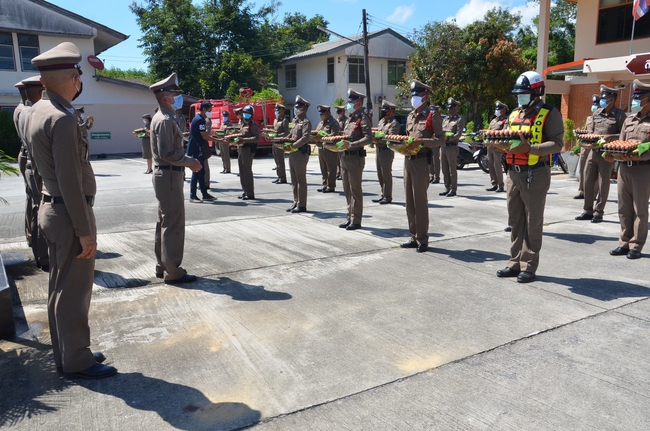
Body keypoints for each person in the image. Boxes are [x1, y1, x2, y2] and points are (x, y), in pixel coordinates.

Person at [23, 42, 116, 379]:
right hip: (68, 212)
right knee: (74, 292)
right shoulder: (61, 119)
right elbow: (70, 181)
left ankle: (68, 353)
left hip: (52, 209)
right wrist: (85, 230)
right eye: (78, 75)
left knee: (59, 287)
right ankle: (77, 360)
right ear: (70, 77)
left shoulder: (36, 111)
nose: (80, 81)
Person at [496, 71, 564, 283]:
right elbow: (509, 139)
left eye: (524, 93)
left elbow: (557, 143)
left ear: (536, 92)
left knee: (533, 221)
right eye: (518, 94)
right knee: (515, 220)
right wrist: (499, 146)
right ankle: (514, 262)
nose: (520, 97)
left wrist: (530, 148)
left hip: (535, 173)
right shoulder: (515, 114)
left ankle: (529, 266)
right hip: (513, 173)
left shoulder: (549, 113)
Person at [150, 72, 202, 284]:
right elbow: (167, 153)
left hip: (169, 176)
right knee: (173, 223)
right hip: (169, 175)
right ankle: (173, 270)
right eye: (174, 94)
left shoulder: (167, 117)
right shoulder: (163, 120)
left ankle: (163, 265)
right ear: (164, 98)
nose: (177, 97)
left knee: (165, 221)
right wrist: (190, 161)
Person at [400, 80, 446, 253]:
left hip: (421, 161)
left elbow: (441, 139)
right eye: (412, 95)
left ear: (425, 96)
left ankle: (422, 239)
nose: (413, 98)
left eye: (417, 95)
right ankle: (413, 236)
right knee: (409, 201)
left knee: (420, 201)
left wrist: (422, 141)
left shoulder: (431, 115)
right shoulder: (411, 115)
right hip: (408, 160)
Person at [607, 79, 650, 260]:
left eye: (638, 97)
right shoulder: (629, 119)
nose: (635, 100)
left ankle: (636, 246)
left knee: (639, 209)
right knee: (624, 208)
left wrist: (639, 155)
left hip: (643, 169)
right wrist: (611, 154)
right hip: (624, 168)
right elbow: (621, 143)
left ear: (648, 99)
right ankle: (624, 242)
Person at [575, 86, 626, 223]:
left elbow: (623, 135)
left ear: (612, 99)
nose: (602, 101)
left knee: (603, 183)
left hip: (607, 154)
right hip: (593, 151)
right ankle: (587, 210)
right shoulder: (597, 113)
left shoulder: (620, 115)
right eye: (602, 98)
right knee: (587, 180)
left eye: (605, 98)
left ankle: (599, 212)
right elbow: (590, 130)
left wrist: (610, 136)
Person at [16, 75, 49, 271]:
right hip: (34, 161)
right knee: (40, 206)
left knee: (33, 202)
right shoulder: (30, 112)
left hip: (28, 159)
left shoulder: (22, 110)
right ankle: (43, 255)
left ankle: (33, 240)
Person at [339, 89, 373, 230]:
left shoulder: (362, 118)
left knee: (355, 190)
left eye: (351, 102)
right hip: (344, 157)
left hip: (355, 158)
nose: (348, 104)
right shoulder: (349, 119)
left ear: (358, 104)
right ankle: (349, 216)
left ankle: (356, 220)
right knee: (347, 189)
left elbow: (368, 138)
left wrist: (352, 144)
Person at [187, 101, 219, 203]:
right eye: (210, 110)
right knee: (196, 172)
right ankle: (192, 196)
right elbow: (204, 136)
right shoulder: (200, 120)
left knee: (202, 172)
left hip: (198, 149)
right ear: (204, 109)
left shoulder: (198, 119)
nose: (211, 112)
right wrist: (219, 140)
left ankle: (205, 194)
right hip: (197, 150)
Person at [286, 95, 312, 213]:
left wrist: (293, 145)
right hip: (292, 152)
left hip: (300, 153)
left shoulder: (306, 122)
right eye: (296, 107)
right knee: (294, 179)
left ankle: (302, 204)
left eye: (299, 108)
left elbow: (305, 138)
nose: (296, 109)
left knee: (300, 179)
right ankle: (296, 201)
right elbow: (291, 135)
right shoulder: (295, 120)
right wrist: (283, 141)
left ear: (305, 109)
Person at [372, 99, 400, 204]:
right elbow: (378, 132)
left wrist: (377, 139)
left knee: (386, 174)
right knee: (380, 174)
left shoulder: (394, 123)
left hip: (386, 151)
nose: (384, 112)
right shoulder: (382, 121)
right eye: (384, 110)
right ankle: (383, 194)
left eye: (386, 110)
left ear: (392, 111)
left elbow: (390, 137)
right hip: (378, 150)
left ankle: (388, 196)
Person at [14, 79, 31, 247]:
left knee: (31, 197)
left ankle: (31, 234)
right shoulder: (25, 111)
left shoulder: (20, 109)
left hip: (25, 154)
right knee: (35, 200)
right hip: (29, 155)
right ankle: (33, 235)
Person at [440, 98, 465, 197]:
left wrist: (448, 139)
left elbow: (458, 134)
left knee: (452, 170)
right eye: (449, 108)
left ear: (457, 108)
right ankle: (447, 188)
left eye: (452, 108)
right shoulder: (445, 119)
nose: (450, 110)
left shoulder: (459, 119)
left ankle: (453, 189)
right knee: (444, 169)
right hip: (443, 147)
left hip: (451, 146)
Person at [236, 105, 260, 200]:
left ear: (252, 114)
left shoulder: (252, 124)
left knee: (247, 171)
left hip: (248, 149)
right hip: (241, 149)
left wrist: (245, 140)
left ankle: (250, 193)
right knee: (241, 171)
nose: (246, 114)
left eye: (248, 113)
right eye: (245, 113)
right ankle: (245, 190)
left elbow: (257, 137)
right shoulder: (243, 123)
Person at [315, 104, 340, 193]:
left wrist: (320, 138)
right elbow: (316, 132)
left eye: (323, 113)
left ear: (328, 112)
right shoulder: (321, 123)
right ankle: (325, 184)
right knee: (323, 168)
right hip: (321, 148)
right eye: (320, 114)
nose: (321, 116)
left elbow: (333, 136)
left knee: (331, 168)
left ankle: (331, 185)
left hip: (330, 149)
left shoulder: (334, 123)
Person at [486, 101, 508, 192]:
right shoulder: (494, 120)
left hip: (498, 145)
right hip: (490, 145)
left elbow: (505, 132)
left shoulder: (505, 120)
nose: (497, 111)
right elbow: (488, 130)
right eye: (497, 109)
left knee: (497, 165)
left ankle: (501, 185)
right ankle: (494, 183)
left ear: (503, 110)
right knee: (490, 164)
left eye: (499, 109)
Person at [272, 103, 289, 184]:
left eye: (278, 109)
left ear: (282, 110)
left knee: (280, 161)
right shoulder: (275, 120)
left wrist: (277, 135)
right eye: (276, 109)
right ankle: (279, 176)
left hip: (280, 143)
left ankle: (283, 178)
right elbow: (274, 130)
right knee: (276, 161)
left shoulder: (285, 120)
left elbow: (286, 133)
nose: (276, 111)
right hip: (274, 142)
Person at [429, 104, 442, 185]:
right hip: (430, 140)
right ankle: (431, 176)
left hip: (435, 140)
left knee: (435, 159)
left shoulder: (438, 117)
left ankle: (437, 177)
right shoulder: (429, 116)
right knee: (430, 159)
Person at [335, 106, 347, 180]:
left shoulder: (346, 120)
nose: (339, 113)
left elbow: (347, 131)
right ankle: (338, 172)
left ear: (343, 112)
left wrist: (340, 133)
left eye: (340, 111)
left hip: (342, 141)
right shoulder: (337, 120)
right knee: (337, 159)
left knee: (342, 158)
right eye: (338, 112)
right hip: (337, 141)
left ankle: (343, 173)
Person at [219, 109, 232, 174]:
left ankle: (228, 168)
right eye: (224, 115)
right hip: (220, 140)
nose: (224, 117)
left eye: (225, 115)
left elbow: (229, 133)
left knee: (226, 155)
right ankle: (224, 168)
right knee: (222, 155)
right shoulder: (223, 123)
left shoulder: (229, 123)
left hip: (225, 140)